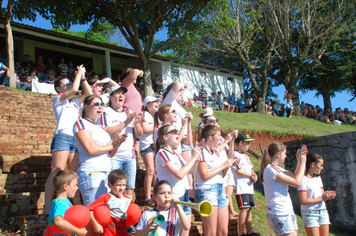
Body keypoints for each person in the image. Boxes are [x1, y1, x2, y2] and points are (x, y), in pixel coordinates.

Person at [43, 65, 92, 217]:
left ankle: (76, 207)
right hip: (63, 136)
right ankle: (47, 206)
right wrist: (77, 74)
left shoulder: (75, 102)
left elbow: (89, 95)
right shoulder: (58, 99)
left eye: (69, 83)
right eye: (65, 84)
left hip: (75, 138)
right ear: (58, 89)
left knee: (72, 174)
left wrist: (83, 77)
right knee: (57, 170)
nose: (69, 86)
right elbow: (72, 90)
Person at [74, 95, 125, 206]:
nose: (100, 107)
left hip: (106, 172)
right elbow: (91, 149)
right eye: (96, 104)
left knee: (105, 211)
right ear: (86, 107)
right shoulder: (81, 123)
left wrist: (117, 144)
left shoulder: (101, 127)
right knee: (93, 210)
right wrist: (112, 145)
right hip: (91, 171)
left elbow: (110, 154)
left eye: (102, 105)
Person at [155, 125, 202, 236]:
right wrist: (193, 158)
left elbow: (190, 171)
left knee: (186, 228)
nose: (178, 133)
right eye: (174, 131)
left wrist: (196, 158)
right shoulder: (162, 153)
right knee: (172, 231)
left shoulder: (176, 153)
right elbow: (179, 174)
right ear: (165, 137)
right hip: (173, 198)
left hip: (183, 194)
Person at [99, 85, 143, 200]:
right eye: (117, 93)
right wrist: (125, 123)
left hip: (129, 157)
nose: (121, 96)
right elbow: (106, 130)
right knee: (114, 189)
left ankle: (127, 215)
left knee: (129, 189)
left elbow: (138, 133)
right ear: (110, 96)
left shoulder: (128, 112)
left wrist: (136, 123)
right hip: (114, 156)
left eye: (123, 94)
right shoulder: (105, 112)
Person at [195, 125, 239, 236]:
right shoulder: (201, 151)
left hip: (220, 189)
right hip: (207, 191)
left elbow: (222, 175)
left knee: (223, 232)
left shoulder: (216, 152)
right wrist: (223, 165)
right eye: (219, 135)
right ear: (210, 137)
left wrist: (229, 165)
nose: (221, 138)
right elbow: (204, 175)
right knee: (210, 233)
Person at [259, 142, 307, 236]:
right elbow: (297, 182)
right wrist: (304, 162)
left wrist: (300, 160)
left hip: (285, 212)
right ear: (278, 154)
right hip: (280, 213)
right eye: (284, 153)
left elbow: (295, 175)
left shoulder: (276, 169)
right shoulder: (270, 170)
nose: (285, 156)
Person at [298, 153, 336, 236]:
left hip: (322, 211)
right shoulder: (303, 179)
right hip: (310, 213)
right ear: (313, 164)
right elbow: (303, 200)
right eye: (321, 165)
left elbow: (321, 195)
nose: (322, 168)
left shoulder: (318, 178)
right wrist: (322, 198)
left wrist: (328, 195)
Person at [88, 169, 135, 236]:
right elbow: (89, 209)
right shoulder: (106, 197)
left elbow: (132, 214)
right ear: (109, 185)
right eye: (118, 185)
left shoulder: (127, 200)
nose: (121, 188)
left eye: (124, 185)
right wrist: (96, 224)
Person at [231, 133, 260, 236]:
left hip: (248, 187)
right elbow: (237, 171)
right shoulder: (235, 154)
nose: (249, 146)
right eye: (247, 143)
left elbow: (250, 169)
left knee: (249, 208)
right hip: (241, 187)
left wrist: (254, 176)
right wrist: (249, 175)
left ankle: (249, 231)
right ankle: (240, 232)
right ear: (240, 143)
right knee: (244, 208)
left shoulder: (246, 155)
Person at [48, 170, 87, 236]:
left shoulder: (65, 201)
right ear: (65, 186)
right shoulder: (60, 203)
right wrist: (78, 231)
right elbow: (58, 221)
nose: (77, 188)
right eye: (75, 185)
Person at [140, 96, 161, 206]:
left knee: (156, 172)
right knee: (150, 170)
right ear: (147, 105)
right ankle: (147, 197)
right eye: (153, 102)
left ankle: (156, 196)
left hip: (155, 145)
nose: (156, 104)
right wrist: (158, 127)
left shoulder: (156, 116)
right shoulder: (145, 115)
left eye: (157, 102)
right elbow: (145, 129)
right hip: (146, 145)